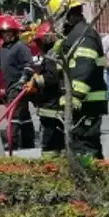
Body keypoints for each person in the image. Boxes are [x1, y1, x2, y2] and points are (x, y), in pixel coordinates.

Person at [49, 0, 107, 158]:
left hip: (87, 102)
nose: (56, 21)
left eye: (58, 17)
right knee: (79, 145)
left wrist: (74, 95)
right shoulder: (73, 34)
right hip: (82, 102)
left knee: (86, 147)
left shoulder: (83, 35)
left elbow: (84, 66)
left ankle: (92, 180)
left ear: (67, 15)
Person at [20, 22, 64, 158]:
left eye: (39, 42)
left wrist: (35, 82)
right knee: (60, 143)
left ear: (46, 41)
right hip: (56, 108)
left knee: (49, 145)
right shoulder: (57, 55)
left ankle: (49, 169)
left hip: (51, 108)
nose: (38, 46)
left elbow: (51, 78)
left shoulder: (51, 57)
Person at [0, 17, 35, 150]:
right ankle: (28, 143)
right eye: (4, 33)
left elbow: (29, 65)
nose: (7, 35)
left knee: (14, 115)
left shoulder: (21, 47)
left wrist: (23, 80)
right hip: (9, 86)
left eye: (10, 32)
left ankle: (12, 143)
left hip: (18, 87)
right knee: (24, 115)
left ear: (15, 33)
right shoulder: (2, 49)